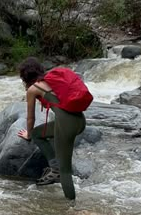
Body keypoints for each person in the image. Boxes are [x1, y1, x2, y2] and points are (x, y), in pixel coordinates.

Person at [17, 57, 93, 201]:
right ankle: (54, 168)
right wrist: (32, 134)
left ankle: (71, 210)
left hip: (66, 125)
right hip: (79, 121)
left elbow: (30, 118)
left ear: (24, 77)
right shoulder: (54, 81)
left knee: (66, 172)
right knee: (37, 134)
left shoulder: (33, 89)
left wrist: (28, 134)